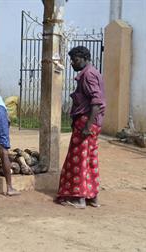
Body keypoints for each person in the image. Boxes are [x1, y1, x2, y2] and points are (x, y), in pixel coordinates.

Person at [57, 46, 106, 209]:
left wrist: (87, 125)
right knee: (90, 159)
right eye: (71, 60)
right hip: (92, 122)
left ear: (85, 59)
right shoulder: (93, 72)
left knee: (78, 160)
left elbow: (96, 102)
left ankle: (79, 198)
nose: (72, 63)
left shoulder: (88, 75)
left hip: (86, 122)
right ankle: (93, 197)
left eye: (75, 60)